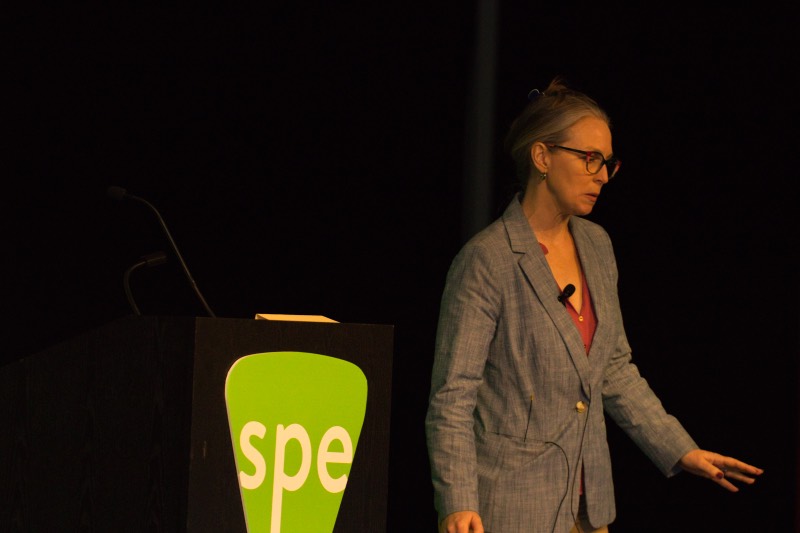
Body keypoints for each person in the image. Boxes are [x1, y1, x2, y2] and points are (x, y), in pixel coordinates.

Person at [424, 76, 763, 533]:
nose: (602, 175)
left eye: (607, 163)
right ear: (542, 157)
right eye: (590, 159)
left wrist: (680, 448)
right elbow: (453, 397)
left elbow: (613, 369)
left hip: (589, 512)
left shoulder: (597, 246)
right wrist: (458, 502)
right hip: (510, 509)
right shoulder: (488, 260)